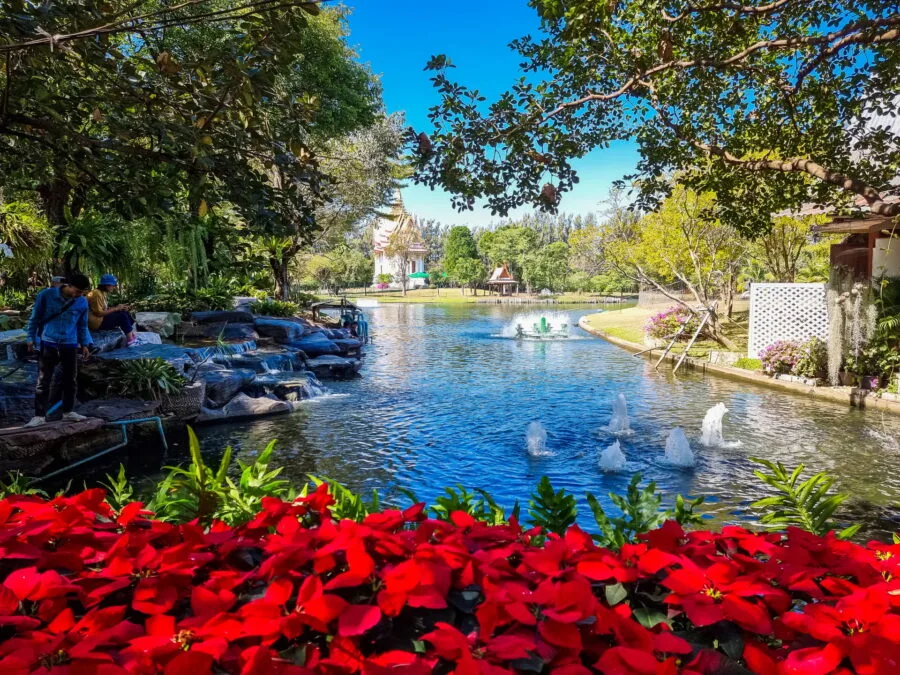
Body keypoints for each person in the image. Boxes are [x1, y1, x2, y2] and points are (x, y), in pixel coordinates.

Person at [24, 274, 94, 428]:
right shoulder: (46, 295)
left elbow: (82, 325)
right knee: (44, 380)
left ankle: (68, 411)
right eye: (76, 291)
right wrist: (30, 337)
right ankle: (39, 416)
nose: (78, 295)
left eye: (81, 293)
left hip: (70, 343)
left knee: (71, 379)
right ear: (68, 285)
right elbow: (35, 318)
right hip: (48, 341)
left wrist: (85, 343)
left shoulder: (81, 302)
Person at [86, 274, 136, 343]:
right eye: (113, 286)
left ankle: (131, 335)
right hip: (96, 324)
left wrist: (119, 308)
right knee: (122, 316)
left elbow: (104, 308)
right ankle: (131, 341)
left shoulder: (101, 293)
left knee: (124, 312)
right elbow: (99, 313)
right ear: (107, 285)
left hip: (101, 319)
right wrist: (116, 308)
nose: (114, 287)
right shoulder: (96, 294)